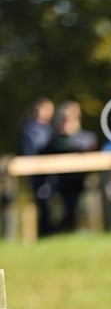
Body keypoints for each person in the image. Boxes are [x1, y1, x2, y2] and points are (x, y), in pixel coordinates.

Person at [46, 101, 97, 232]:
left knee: (77, 206)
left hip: (80, 182)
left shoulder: (86, 138)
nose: (66, 123)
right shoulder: (52, 140)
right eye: (64, 119)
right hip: (58, 183)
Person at [18, 98, 55, 237]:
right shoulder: (30, 129)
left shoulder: (49, 128)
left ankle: (48, 230)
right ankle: (44, 232)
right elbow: (30, 152)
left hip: (49, 170)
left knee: (47, 201)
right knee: (41, 202)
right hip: (36, 170)